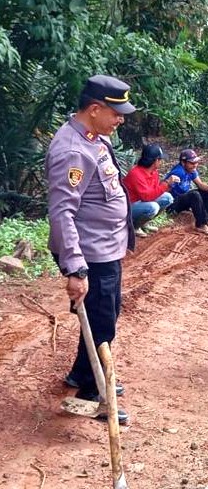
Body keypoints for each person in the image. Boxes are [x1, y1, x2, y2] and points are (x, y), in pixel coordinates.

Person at [46, 75, 137, 424]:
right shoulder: (72, 150)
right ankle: (94, 392)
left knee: (106, 311)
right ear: (95, 109)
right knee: (102, 320)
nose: (121, 119)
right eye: (116, 113)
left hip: (104, 247)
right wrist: (75, 268)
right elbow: (62, 211)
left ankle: (80, 373)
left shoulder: (92, 138)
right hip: (91, 254)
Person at [123, 144, 180, 237]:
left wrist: (168, 185)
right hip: (128, 206)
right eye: (161, 159)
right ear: (156, 160)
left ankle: (144, 223)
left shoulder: (154, 171)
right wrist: (166, 184)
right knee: (152, 207)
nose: (162, 162)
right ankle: (134, 227)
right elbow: (147, 197)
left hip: (140, 202)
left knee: (168, 198)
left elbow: (155, 191)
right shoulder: (136, 174)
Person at [165, 149, 208, 237]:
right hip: (173, 203)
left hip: (183, 199)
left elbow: (200, 185)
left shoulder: (191, 170)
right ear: (183, 163)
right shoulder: (178, 172)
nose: (195, 165)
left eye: (196, 162)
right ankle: (201, 225)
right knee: (194, 195)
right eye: (191, 163)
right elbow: (165, 190)